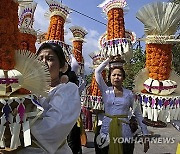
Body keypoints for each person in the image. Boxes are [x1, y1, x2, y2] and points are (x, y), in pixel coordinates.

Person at [17, 42, 81, 154]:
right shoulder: (28, 89)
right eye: (39, 58)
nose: (43, 63)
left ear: (62, 67)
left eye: (50, 59)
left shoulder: (68, 89)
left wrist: (18, 129)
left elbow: (55, 127)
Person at [94, 55, 150, 154]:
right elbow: (97, 72)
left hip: (125, 134)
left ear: (123, 78)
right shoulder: (106, 91)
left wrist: (145, 134)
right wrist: (108, 60)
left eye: (119, 75)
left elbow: (138, 114)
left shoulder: (130, 94)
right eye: (113, 75)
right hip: (106, 132)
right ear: (110, 77)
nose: (116, 77)